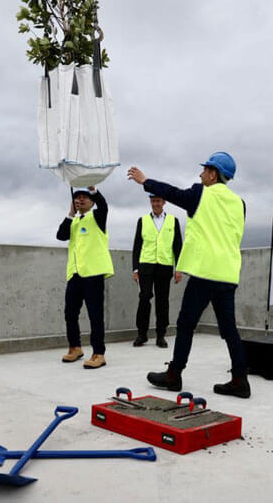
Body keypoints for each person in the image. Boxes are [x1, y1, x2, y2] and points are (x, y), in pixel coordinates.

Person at [127, 151, 250, 399]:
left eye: (205, 169)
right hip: (228, 275)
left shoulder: (200, 193)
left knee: (185, 324)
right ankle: (240, 380)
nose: (200, 173)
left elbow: (173, 193)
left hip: (205, 272)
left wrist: (145, 181)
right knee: (229, 330)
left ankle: (174, 375)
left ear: (214, 174)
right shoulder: (240, 203)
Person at [55, 186, 114, 369]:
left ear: (91, 201)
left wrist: (94, 190)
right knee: (70, 313)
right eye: (77, 198)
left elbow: (104, 206)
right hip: (75, 273)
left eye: (84, 198)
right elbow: (60, 236)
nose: (80, 200)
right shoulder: (73, 221)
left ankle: (98, 353)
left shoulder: (97, 217)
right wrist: (70, 214)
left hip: (93, 274)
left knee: (95, 315)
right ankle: (75, 347)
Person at [131, 193, 183, 348]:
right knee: (144, 297)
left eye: (158, 201)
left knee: (162, 301)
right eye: (153, 201)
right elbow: (137, 246)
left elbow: (178, 247)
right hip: (145, 266)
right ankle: (142, 334)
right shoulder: (143, 220)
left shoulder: (173, 221)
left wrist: (178, 268)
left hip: (164, 267)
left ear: (164, 202)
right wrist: (135, 269)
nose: (155, 204)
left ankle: (161, 335)